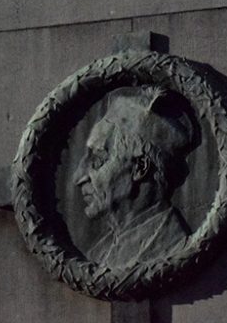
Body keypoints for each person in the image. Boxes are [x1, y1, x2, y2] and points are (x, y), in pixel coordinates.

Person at [73, 86, 198, 268]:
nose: (79, 177)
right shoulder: (97, 253)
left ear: (140, 168)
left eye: (97, 159)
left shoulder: (173, 245)